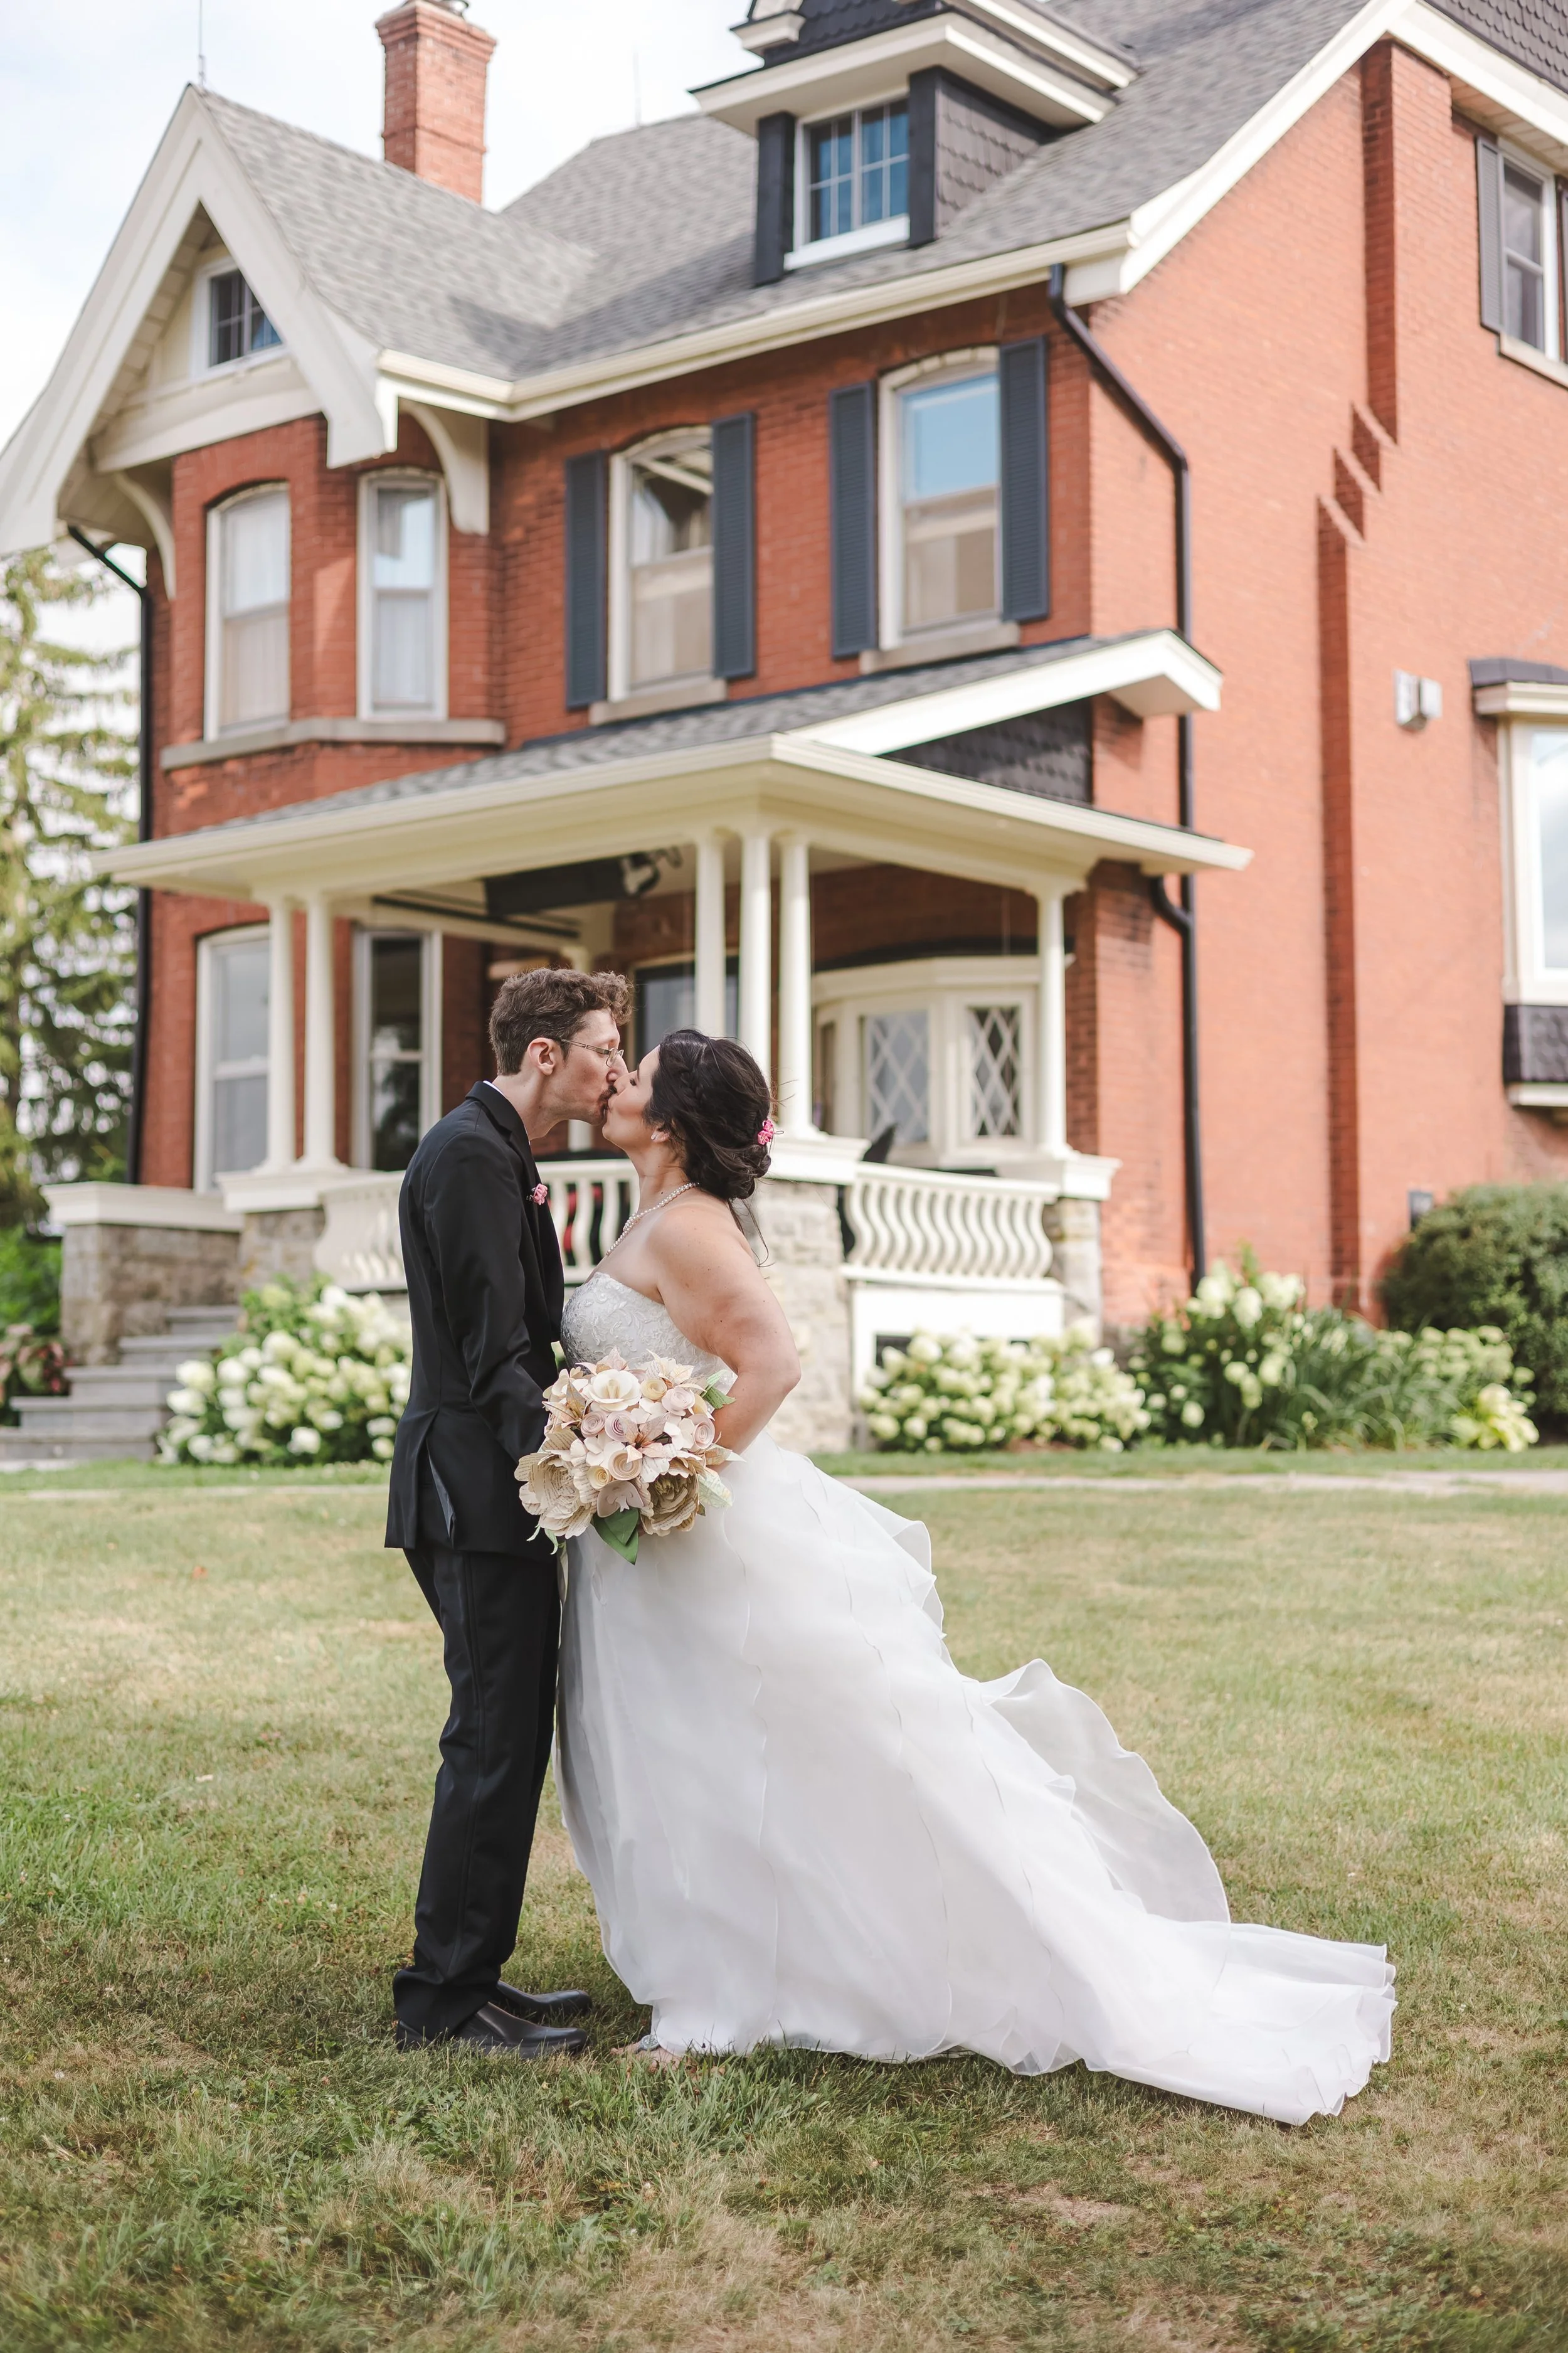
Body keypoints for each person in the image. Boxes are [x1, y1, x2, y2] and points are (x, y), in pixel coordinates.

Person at [553, 1029, 1396, 2123]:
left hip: (689, 1532)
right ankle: (726, 1964)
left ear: (666, 1122)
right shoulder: (658, 1215)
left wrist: (674, 1472)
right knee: (693, 1745)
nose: (615, 1081)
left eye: (637, 1074)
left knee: (728, 1742)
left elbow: (773, 1365)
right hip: (649, 1544)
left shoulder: (695, 1229)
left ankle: (719, 1998)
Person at [388, 965, 630, 2057]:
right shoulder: (475, 1155)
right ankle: (442, 1999)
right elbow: (494, 1358)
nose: (614, 1069)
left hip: (500, 1491)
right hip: (477, 1493)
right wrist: (588, 1461)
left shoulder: (500, 1150)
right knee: (488, 1735)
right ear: (546, 1055)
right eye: (602, 1049)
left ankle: (475, 1972)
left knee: (509, 1729)